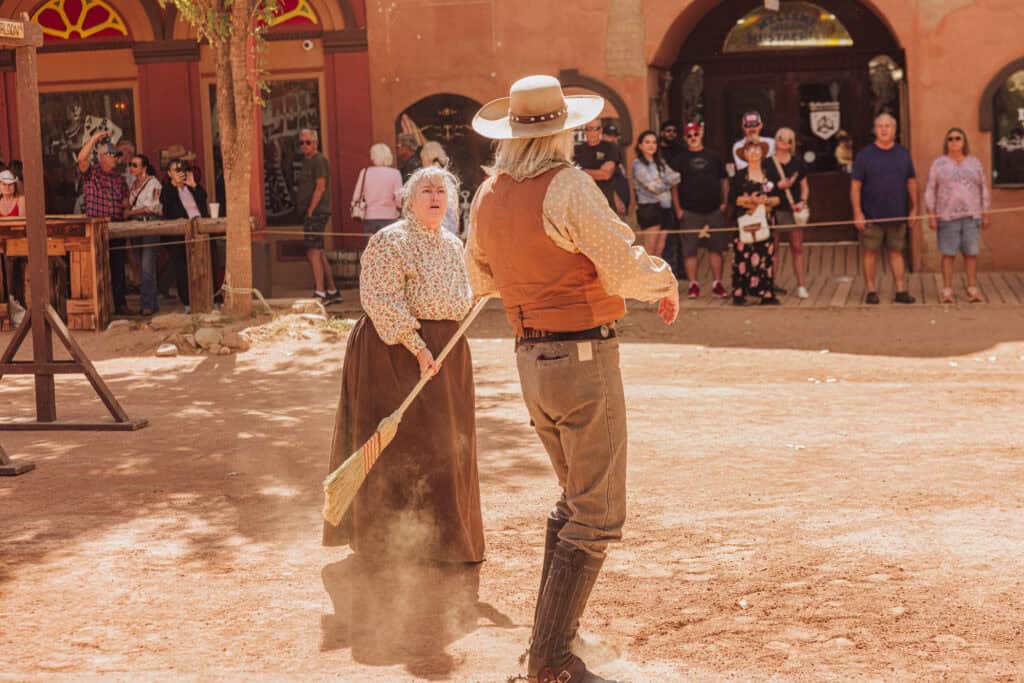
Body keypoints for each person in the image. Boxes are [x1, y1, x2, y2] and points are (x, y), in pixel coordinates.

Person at [467, 74, 679, 683]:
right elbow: (622, 266)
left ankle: (550, 642)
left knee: (574, 504)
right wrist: (663, 282)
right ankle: (551, 658)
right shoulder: (569, 187)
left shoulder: (487, 196)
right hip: (581, 358)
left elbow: (479, 280)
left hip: (529, 359)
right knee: (595, 512)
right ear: (563, 134)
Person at [322, 165, 485, 567]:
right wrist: (416, 346)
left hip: (446, 354)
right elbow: (381, 299)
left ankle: (444, 540)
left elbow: (464, 296)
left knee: (448, 440)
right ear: (408, 200)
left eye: (441, 192)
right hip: (393, 350)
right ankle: (389, 543)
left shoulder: (451, 243)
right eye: (426, 190)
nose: (435, 197)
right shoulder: (389, 241)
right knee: (404, 442)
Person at [851, 113, 917, 304]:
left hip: (897, 213)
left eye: (888, 126)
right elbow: (855, 185)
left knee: (896, 252)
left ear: (894, 130)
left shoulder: (903, 154)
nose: (884, 129)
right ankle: (871, 290)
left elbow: (911, 181)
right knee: (870, 252)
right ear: (875, 130)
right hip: (871, 215)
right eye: (880, 126)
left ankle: (901, 290)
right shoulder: (864, 155)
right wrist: (857, 213)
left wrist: (914, 209)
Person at [925, 127, 991, 303]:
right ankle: (947, 291)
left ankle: (972, 289)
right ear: (946, 142)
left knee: (971, 253)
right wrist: (931, 214)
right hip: (947, 216)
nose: (954, 142)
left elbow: (983, 187)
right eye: (950, 139)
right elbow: (931, 189)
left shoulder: (974, 163)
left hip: (972, 215)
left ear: (964, 142)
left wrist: (985, 212)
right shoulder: (938, 164)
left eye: (958, 138)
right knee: (948, 254)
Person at [670, 122, 731, 299]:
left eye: (696, 134)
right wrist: (678, 209)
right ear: (685, 138)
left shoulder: (714, 156)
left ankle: (717, 283)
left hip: (714, 210)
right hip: (689, 211)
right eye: (689, 135)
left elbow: (724, 180)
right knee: (690, 250)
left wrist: (724, 203)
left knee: (716, 249)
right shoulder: (679, 159)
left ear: (701, 134)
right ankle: (693, 284)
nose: (693, 138)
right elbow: (674, 186)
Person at [77, 131, 131, 315]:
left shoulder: (120, 178)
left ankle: (120, 305)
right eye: (112, 155)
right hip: (97, 228)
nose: (116, 158)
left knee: (117, 267)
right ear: (102, 157)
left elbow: (125, 202)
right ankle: (100, 307)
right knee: (97, 267)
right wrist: (94, 139)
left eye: (116, 155)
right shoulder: (92, 173)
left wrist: (125, 212)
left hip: (116, 227)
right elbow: (82, 158)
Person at [730, 139, 781, 306]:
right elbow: (733, 199)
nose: (753, 154)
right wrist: (749, 200)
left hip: (766, 220)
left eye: (756, 150)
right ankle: (739, 292)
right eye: (749, 151)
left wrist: (766, 201)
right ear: (744, 155)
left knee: (766, 257)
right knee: (742, 256)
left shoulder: (770, 174)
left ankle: (766, 292)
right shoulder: (739, 176)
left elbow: (778, 198)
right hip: (745, 221)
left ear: (762, 152)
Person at [296, 128, 341, 305]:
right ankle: (333, 290)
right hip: (311, 212)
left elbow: (320, 186)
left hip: (316, 212)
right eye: (301, 142)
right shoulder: (306, 162)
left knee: (313, 252)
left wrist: (310, 210)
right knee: (318, 251)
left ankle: (320, 292)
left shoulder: (319, 160)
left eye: (308, 142)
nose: (304, 146)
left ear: (316, 143)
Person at [160, 158, 208, 312]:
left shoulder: (192, 187)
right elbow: (166, 202)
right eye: (176, 170)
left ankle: (208, 298)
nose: (180, 173)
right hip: (179, 234)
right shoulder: (168, 189)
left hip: (200, 230)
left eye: (182, 170)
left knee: (205, 264)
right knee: (182, 268)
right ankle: (187, 302)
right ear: (169, 174)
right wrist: (175, 185)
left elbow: (203, 198)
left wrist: (193, 184)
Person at [771, 127, 811, 299]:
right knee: (773, 249)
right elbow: (762, 185)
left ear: (792, 144)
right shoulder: (767, 162)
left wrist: (802, 202)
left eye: (788, 139)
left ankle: (801, 285)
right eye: (780, 138)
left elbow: (804, 187)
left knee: (797, 248)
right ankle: (770, 284)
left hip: (793, 210)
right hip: (773, 209)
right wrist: (776, 187)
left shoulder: (798, 163)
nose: (783, 142)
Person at [631, 130, 680, 261]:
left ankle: (657, 281)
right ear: (640, 145)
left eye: (654, 142)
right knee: (650, 251)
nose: (651, 145)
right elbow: (654, 188)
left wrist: (661, 181)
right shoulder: (637, 164)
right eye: (647, 142)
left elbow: (677, 176)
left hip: (666, 208)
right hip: (650, 209)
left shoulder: (660, 162)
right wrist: (665, 181)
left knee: (659, 251)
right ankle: (646, 281)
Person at [123, 154, 162, 315]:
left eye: (135, 165)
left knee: (147, 266)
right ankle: (151, 303)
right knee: (141, 267)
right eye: (130, 165)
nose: (131, 168)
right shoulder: (132, 184)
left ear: (144, 168)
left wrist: (131, 212)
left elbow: (153, 206)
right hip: (135, 226)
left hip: (148, 224)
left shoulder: (153, 183)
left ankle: (147, 304)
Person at [574, 118, 625, 215]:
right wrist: (596, 172)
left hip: (605, 200)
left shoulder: (610, 147)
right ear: (585, 131)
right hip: (584, 201)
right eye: (589, 129)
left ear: (601, 130)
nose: (592, 132)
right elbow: (573, 176)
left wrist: (581, 172)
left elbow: (605, 175)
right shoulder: (577, 150)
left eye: (596, 128)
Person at [353, 143, 402, 235]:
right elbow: (399, 199)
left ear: (373, 156)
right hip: (390, 216)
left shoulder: (365, 172)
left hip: (370, 216)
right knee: (389, 247)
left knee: (372, 247)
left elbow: (356, 196)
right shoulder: (395, 173)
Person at [420, 140, 461, 234]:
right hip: (450, 225)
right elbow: (455, 206)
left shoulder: (428, 177)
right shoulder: (448, 176)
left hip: (435, 225)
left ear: (425, 157)